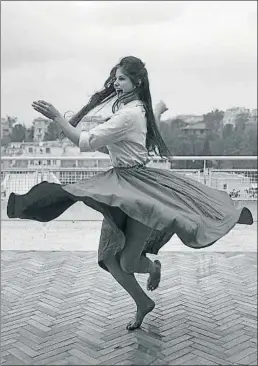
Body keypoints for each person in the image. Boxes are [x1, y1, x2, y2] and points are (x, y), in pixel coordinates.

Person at [7, 56, 253, 331]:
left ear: (136, 82)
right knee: (110, 258)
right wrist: (157, 109)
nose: (116, 82)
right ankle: (143, 301)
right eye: (115, 77)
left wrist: (56, 118)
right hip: (123, 188)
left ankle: (151, 274)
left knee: (124, 260)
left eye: (121, 78)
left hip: (134, 191)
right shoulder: (136, 111)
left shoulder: (129, 114)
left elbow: (87, 142)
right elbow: (117, 143)